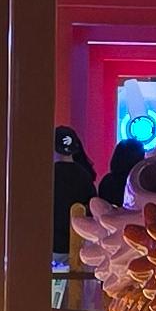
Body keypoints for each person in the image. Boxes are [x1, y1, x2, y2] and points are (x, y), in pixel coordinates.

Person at [51, 121, 97, 291]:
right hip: (78, 246)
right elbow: (93, 209)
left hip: (50, 244)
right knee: (73, 292)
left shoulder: (47, 175)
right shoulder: (84, 176)